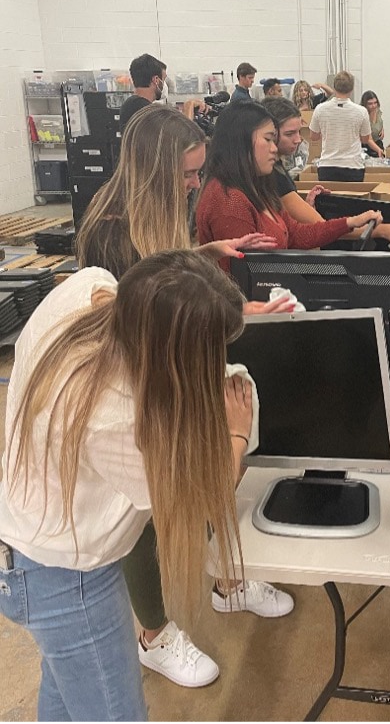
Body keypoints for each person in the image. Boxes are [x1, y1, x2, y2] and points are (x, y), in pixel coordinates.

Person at [75, 105, 294, 691]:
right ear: (155, 168)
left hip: (171, 361)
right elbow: (142, 309)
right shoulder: (111, 230)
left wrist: (206, 252)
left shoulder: (157, 208)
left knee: (203, 474)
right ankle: (152, 632)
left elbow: (164, 275)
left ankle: (224, 581)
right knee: (144, 508)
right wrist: (236, 309)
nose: (197, 183)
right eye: (189, 173)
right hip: (138, 377)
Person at [0, 248, 255, 720]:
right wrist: (236, 432)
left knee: (66, 690)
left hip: (29, 549)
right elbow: (196, 498)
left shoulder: (90, 288)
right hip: (65, 576)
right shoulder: (111, 412)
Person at [196, 100, 382, 264]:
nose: (274, 148)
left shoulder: (257, 187)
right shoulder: (229, 202)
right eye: (268, 139)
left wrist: (350, 221)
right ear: (241, 142)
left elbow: (295, 233)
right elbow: (243, 277)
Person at [262, 97, 390, 250]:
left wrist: (305, 206)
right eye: (290, 134)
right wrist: (383, 231)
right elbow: (323, 227)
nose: (298, 139)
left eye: (298, 132)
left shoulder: (276, 168)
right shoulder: (273, 176)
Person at [308, 70, 384, 182]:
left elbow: (313, 137)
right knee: (352, 199)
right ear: (352, 89)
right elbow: (365, 139)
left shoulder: (320, 109)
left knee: (328, 200)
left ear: (334, 87)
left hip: (328, 166)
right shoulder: (361, 111)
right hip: (352, 167)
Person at [120, 53, 167, 129]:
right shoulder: (148, 112)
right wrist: (189, 107)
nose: (165, 85)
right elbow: (181, 138)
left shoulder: (129, 104)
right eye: (164, 79)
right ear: (156, 80)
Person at [360, 90, 385, 157]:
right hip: (367, 147)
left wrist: (382, 129)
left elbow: (380, 121)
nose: (373, 106)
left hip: (378, 142)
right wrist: (378, 150)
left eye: (375, 103)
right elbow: (368, 139)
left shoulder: (377, 111)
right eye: (370, 104)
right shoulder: (363, 115)